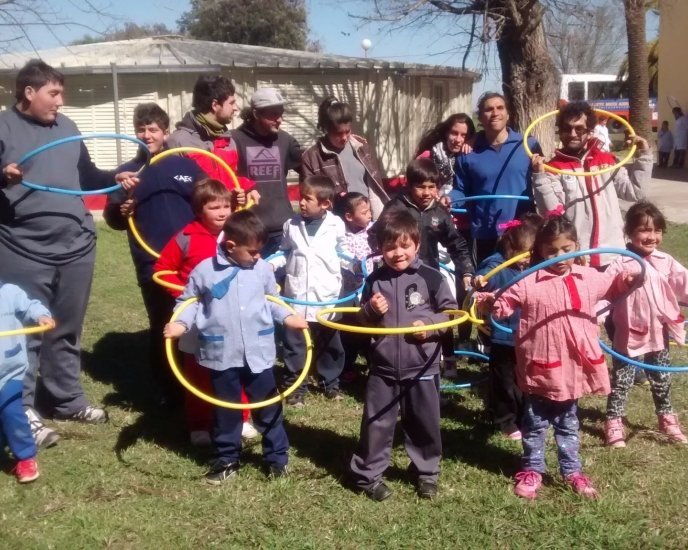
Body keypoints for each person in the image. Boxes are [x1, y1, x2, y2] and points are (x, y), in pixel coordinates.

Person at [0, 60, 139, 447]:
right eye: (54, 93)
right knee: (25, 333)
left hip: (76, 245)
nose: (61, 101)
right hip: (22, 247)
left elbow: (86, 175)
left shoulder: (68, 128)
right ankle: (22, 408)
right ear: (29, 92)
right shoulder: (3, 127)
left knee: (65, 328)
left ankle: (65, 398)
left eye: (61, 93)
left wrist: (113, 178)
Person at [478, 212, 635, 500]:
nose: (559, 256)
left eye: (566, 249)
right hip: (542, 365)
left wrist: (629, 278)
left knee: (568, 422)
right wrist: (490, 302)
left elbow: (614, 286)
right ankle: (532, 468)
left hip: (573, 367)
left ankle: (572, 470)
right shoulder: (530, 280)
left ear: (577, 246)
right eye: (551, 250)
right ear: (540, 250)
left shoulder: (587, 277)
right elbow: (505, 301)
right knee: (536, 423)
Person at [164, 210, 308, 484]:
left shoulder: (262, 269)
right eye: (252, 252)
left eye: (260, 251)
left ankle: (277, 459)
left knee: (268, 409)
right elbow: (188, 302)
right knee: (226, 411)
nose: (257, 256)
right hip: (222, 355)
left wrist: (288, 317)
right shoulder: (205, 271)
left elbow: (273, 301)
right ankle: (227, 458)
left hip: (259, 354)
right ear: (231, 246)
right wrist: (180, 325)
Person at [104, 103, 211, 407]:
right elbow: (113, 219)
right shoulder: (126, 174)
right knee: (163, 324)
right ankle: (170, 390)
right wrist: (122, 208)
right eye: (141, 129)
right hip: (153, 262)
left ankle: (201, 382)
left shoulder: (187, 166)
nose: (146, 134)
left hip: (193, 260)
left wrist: (237, 195)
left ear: (165, 132)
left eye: (153, 129)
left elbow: (210, 200)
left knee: (199, 321)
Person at [350, 209, 458, 501]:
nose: (397, 253)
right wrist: (371, 311)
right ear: (380, 249)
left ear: (417, 245)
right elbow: (361, 319)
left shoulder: (432, 278)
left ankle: (426, 472)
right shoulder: (374, 281)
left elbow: (451, 314)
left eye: (404, 246)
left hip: (422, 365)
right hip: (383, 367)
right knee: (376, 423)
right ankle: (368, 475)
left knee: (425, 421)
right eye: (389, 247)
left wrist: (431, 327)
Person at [154, 179, 257, 445]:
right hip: (198, 317)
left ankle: (242, 418)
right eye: (214, 207)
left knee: (236, 366)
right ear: (199, 209)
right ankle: (199, 425)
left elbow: (254, 266)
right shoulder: (185, 238)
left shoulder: (238, 235)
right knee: (199, 372)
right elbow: (162, 271)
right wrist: (188, 295)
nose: (222, 212)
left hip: (232, 315)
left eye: (226, 206)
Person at [604, 202, 688, 447]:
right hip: (628, 334)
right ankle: (614, 422)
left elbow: (684, 282)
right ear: (629, 232)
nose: (652, 237)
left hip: (659, 333)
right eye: (644, 230)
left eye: (657, 231)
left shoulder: (665, 261)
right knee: (622, 380)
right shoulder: (620, 263)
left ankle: (667, 419)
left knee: (662, 377)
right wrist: (624, 281)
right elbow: (604, 292)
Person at [532, 101, 652, 268]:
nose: (573, 134)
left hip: (615, 254)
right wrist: (539, 177)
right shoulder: (553, 168)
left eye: (579, 128)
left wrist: (644, 156)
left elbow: (636, 193)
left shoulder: (607, 160)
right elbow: (552, 213)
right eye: (567, 128)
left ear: (589, 130)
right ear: (560, 132)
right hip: (579, 258)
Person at [270, 176, 347, 406]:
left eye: (307, 198)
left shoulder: (336, 225)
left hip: (327, 296)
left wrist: (357, 266)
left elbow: (343, 253)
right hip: (297, 296)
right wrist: (271, 264)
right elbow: (284, 252)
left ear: (325, 204)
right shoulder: (290, 224)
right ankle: (296, 386)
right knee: (295, 345)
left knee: (329, 343)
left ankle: (330, 383)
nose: (301, 202)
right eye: (301, 197)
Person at [472, 213, 542, 440]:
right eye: (520, 254)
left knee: (524, 381)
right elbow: (485, 273)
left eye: (530, 255)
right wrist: (480, 279)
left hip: (527, 335)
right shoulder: (498, 264)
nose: (524, 260)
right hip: (503, 335)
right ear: (509, 248)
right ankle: (505, 419)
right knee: (504, 380)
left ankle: (523, 417)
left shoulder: (533, 269)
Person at [450, 92, 541, 265]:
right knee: (489, 286)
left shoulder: (528, 145)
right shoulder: (468, 153)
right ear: (480, 117)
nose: (495, 113)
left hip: (524, 232)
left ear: (508, 114)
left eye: (500, 108)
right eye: (489, 109)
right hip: (485, 233)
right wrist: (449, 199)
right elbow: (461, 190)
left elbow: (542, 180)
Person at [231, 87, 303, 256]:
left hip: (283, 227)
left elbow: (311, 167)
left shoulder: (286, 140)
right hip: (249, 229)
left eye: (281, 113)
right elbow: (225, 177)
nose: (280, 120)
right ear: (256, 114)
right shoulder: (235, 139)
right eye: (273, 115)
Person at [167, 75, 258, 201]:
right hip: (193, 219)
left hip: (227, 217)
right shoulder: (177, 142)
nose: (236, 108)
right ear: (215, 105)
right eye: (231, 102)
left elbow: (230, 178)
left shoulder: (228, 140)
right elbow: (172, 189)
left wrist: (245, 189)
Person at [301, 96, 389, 219]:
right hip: (334, 220)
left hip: (365, 218)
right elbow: (310, 195)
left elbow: (374, 185)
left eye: (347, 132)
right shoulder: (312, 157)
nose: (344, 138)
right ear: (326, 129)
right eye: (338, 133)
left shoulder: (361, 148)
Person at [0, 283, 54, 482]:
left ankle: (25, 456)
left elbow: (30, 305)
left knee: (12, 412)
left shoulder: (10, 292)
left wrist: (41, 316)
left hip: (9, 371)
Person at [333, 192, 375, 381]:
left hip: (371, 288)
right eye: (364, 212)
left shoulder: (373, 231)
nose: (369, 215)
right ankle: (347, 366)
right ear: (349, 216)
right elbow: (341, 259)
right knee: (349, 330)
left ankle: (374, 363)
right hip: (349, 292)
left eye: (369, 211)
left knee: (371, 327)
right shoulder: (341, 236)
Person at [416, 112, 475, 196]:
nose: (458, 140)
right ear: (447, 133)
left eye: (463, 135)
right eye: (454, 133)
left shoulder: (470, 157)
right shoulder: (428, 156)